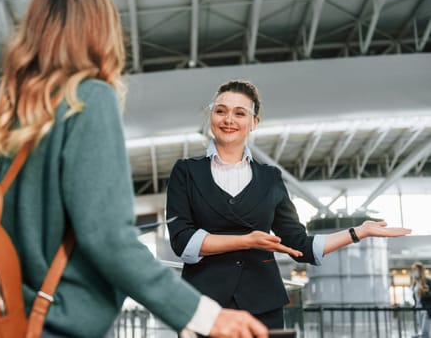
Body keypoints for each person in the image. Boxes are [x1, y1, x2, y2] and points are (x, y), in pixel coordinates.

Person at [0, 0, 268, 338]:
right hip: (49, 324)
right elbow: (108, 237)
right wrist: (204, 315)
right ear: (102, 31)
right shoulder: (88, 100)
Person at [166, 79, 412, 331]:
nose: (229, 119)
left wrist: (358, 232)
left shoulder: (271, 177)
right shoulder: (186, 172)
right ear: (212, 116)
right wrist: (246, 241)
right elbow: (182, 241)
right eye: (221, 111)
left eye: (240, 113)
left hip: (263, 304)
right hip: (205, 305)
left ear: (254, 123)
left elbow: (298, 243)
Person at [411, 262, 431, 338]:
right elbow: (416, 297)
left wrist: (426, 292)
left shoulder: (427, 281)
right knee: (422, 331)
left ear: (420, 270)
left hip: (426, 309)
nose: (414, 272)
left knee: (424, 332)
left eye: (416, 269)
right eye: (413, 270)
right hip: (418, 309)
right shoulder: (414, 283)